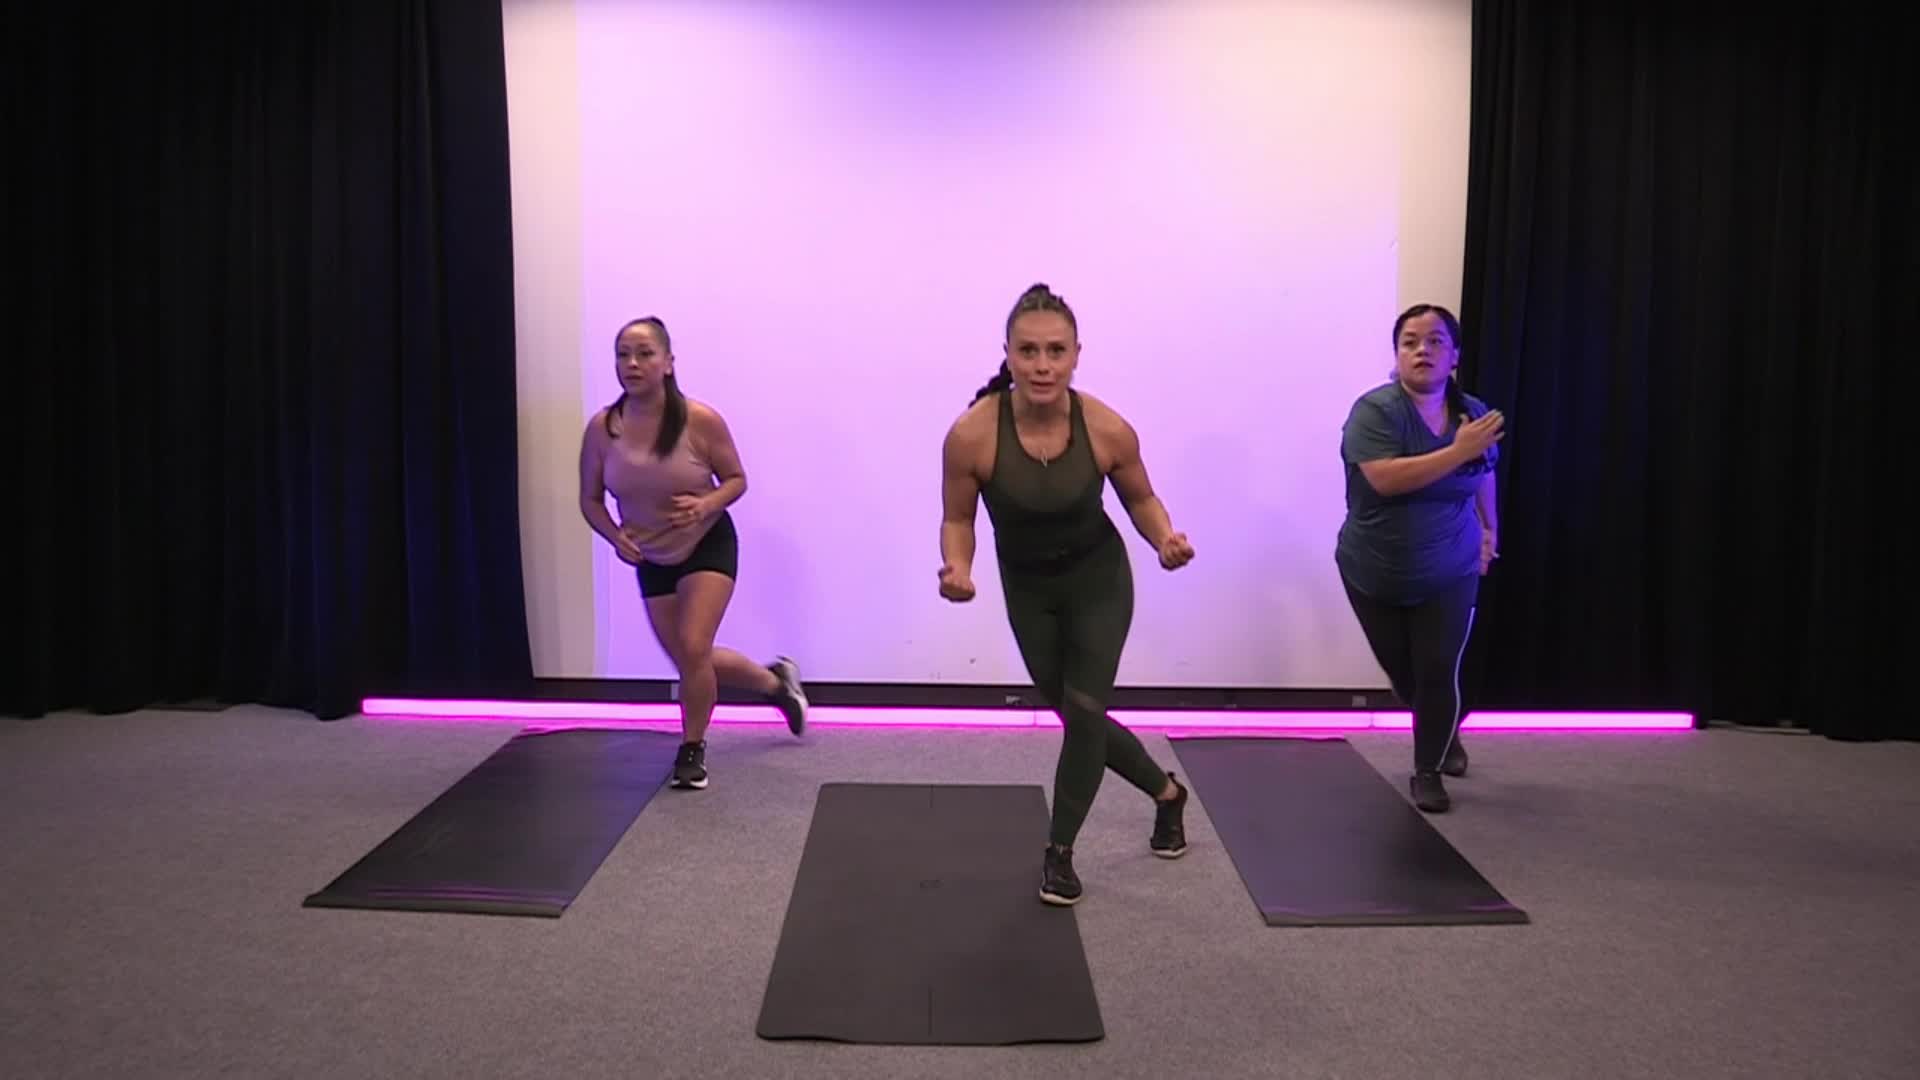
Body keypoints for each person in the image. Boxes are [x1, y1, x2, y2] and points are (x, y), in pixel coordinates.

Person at [938, 283, 1197, 907]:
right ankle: (1167, 794)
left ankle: (1059, 853)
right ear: (1008, 354)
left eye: (1056, 350)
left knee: (1083, 710)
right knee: (1077, 713)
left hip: (1098, 581)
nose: (1043, 364)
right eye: (1028, 351)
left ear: (1077, 354)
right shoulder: (972, 434)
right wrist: (957, 569)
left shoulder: (1106, 426)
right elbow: (960, 520)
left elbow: (1139, 497)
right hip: (1028, 590)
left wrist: (1164, 538)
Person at [578, 316, 808, 790]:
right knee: (690, 658)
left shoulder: (700, 420)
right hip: (650, 557)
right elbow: (591, 499)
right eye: (623, 354)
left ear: (668, 363)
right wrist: (613, 535)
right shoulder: (603, 429)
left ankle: (692, 748)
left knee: (694, 646)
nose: (632, 364)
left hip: (707, 544)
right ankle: (775, 684)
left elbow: (737, 480)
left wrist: (706, 505)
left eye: (644, 354)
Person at [1336, 303, 1503, 813]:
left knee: (1436, 668)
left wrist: (1489, 527)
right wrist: (1457, 450)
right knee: (1405, 674)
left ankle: (1427, 769)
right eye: (1410, 341)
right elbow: (1384, 479)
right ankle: (1443, 730)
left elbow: (1484, 472)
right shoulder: (1375, 411)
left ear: (1453, 355)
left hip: (1450, 566)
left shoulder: (1474, 414)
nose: (1422, 350)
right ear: (1397, 354)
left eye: (1434, 341)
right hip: (1374, 568)